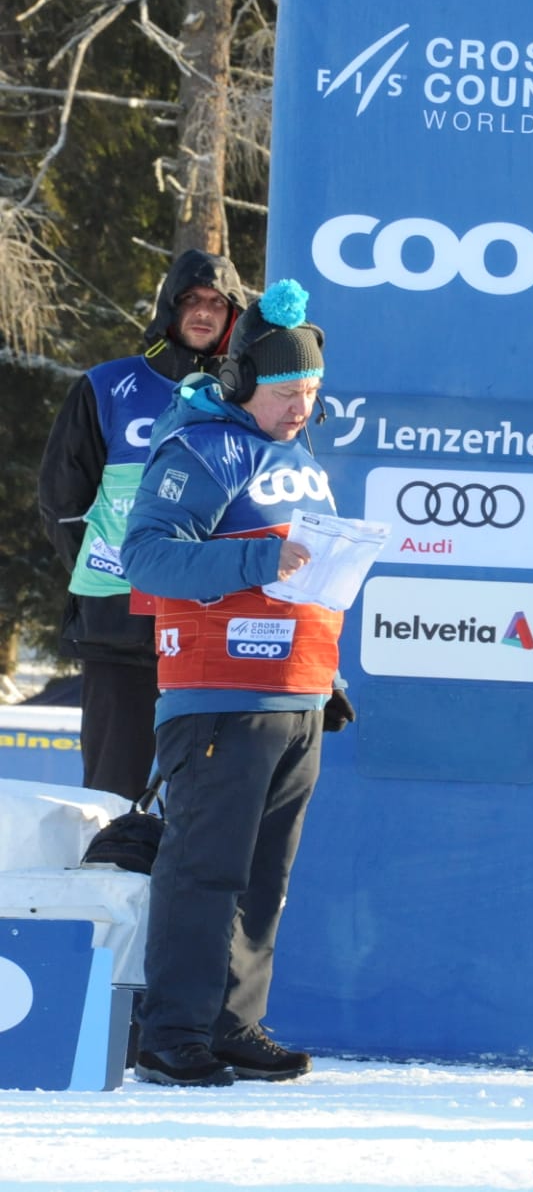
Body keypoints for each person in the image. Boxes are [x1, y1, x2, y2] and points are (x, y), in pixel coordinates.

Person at [119, 279, 352, 1087]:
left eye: (313, 393)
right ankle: (171, 1031)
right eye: (288, 391)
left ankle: (232, 1022)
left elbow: (307, 571)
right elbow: (146, 556)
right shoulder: (201, 449)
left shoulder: (301, 459)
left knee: (262, 876)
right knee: (204, 868)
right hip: (219, 693)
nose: (302, 407)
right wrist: (257, 558)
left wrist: (331, 673)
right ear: (243, 382)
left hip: (298, 694)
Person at [38, 251, 248, 800]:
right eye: (191, 301)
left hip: (210, 628)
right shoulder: (108, 385)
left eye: (217, 304)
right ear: (168, 308)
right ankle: (105, 881)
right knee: (111, 790)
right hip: (119, 627)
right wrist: (114, 574)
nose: (203, 313)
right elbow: (61, 502)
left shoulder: (246, 399)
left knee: (205, 796)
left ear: (233, 317)